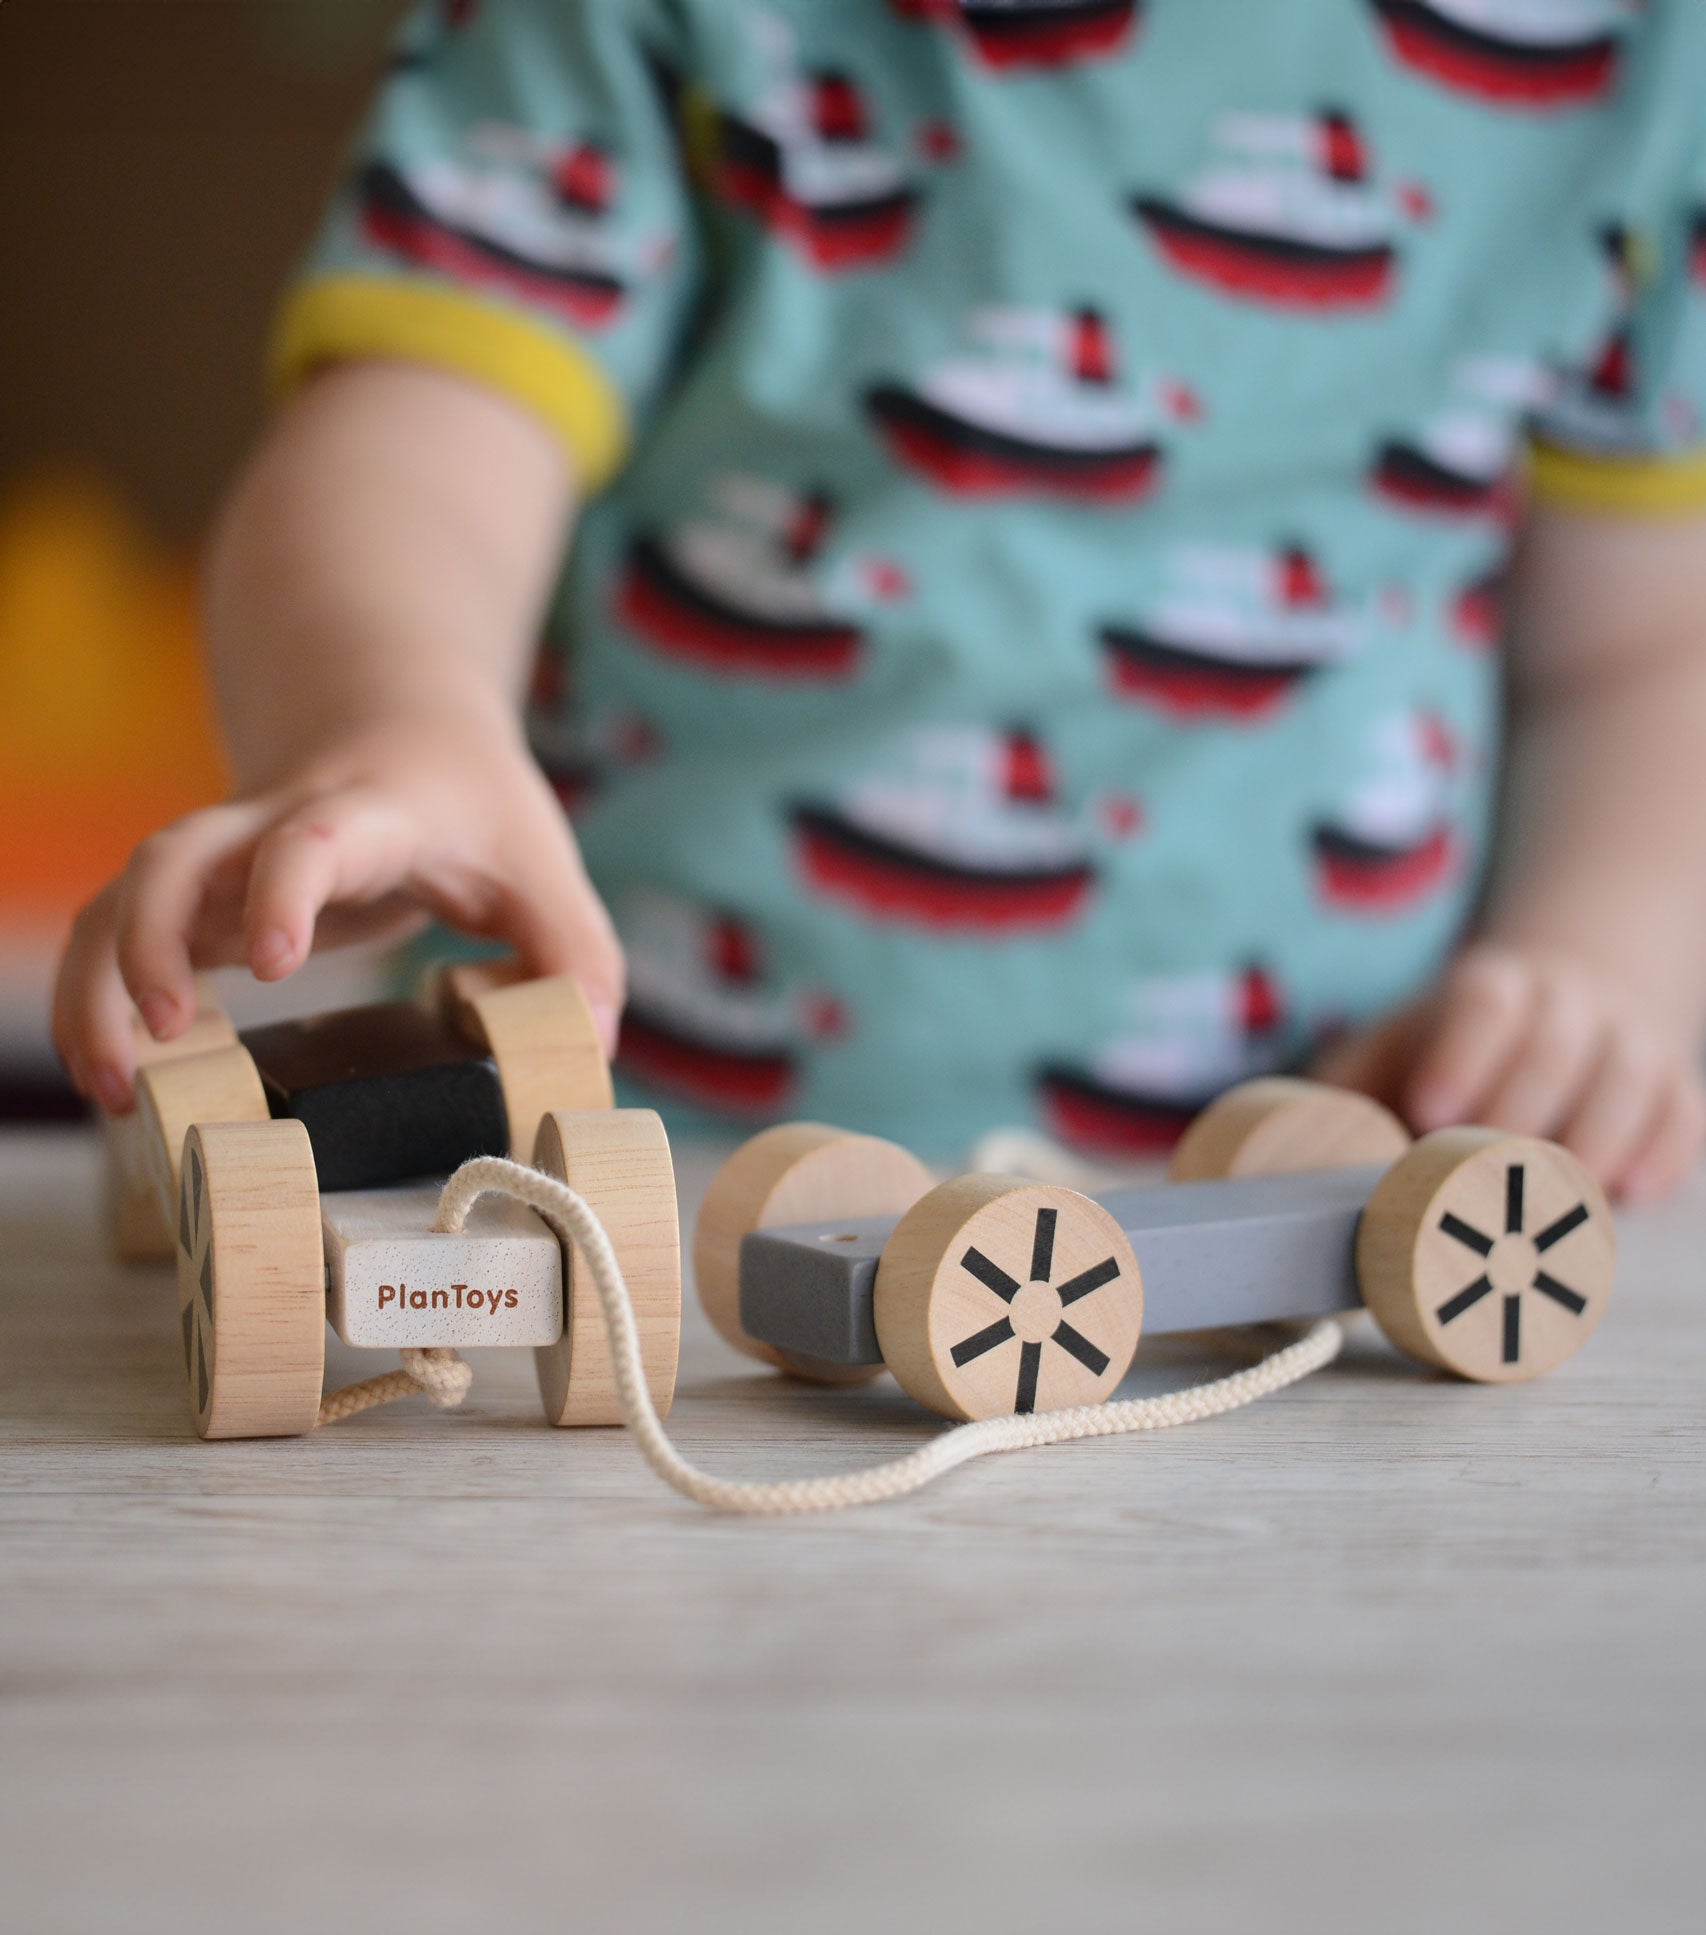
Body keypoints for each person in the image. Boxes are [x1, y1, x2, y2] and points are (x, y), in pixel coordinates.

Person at [51, 0, 1706, 1195]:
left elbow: (1641, 653)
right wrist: (384, 718)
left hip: (1331, 1210)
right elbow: (422, 423)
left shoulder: (1635, 67)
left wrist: (1593, 970)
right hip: (634, 1188)